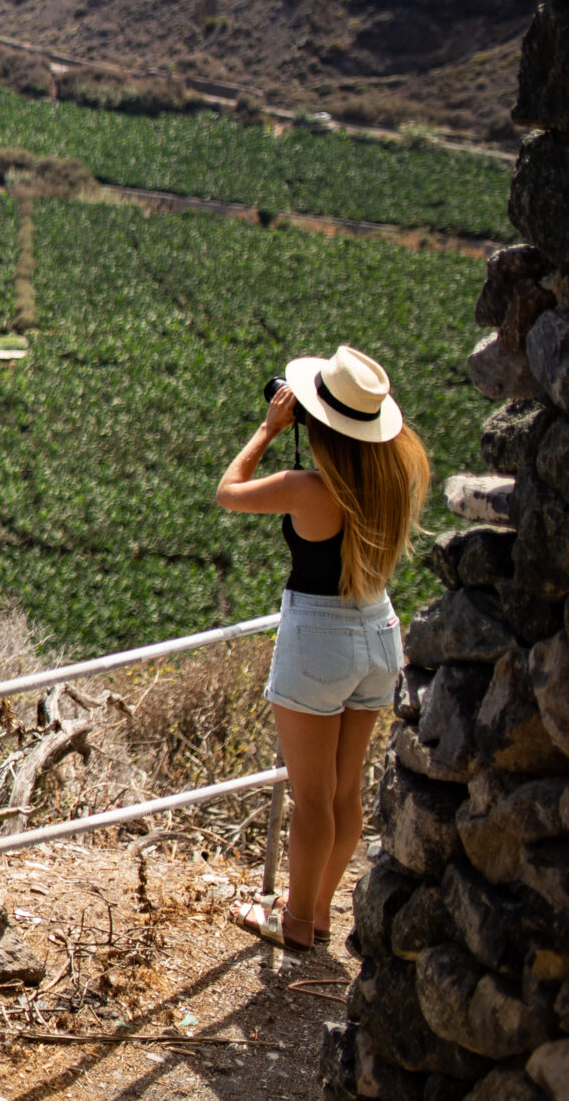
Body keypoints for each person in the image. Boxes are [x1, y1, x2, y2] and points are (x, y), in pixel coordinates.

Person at [212, 344, 429, 950]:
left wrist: (269, 428)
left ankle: (295, 923)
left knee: (310, 800)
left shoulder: (309, 487)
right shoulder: (394, 478)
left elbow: (229, 491)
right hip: (379, 632)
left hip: (319, 643)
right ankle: (322, 912)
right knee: (343, 791)